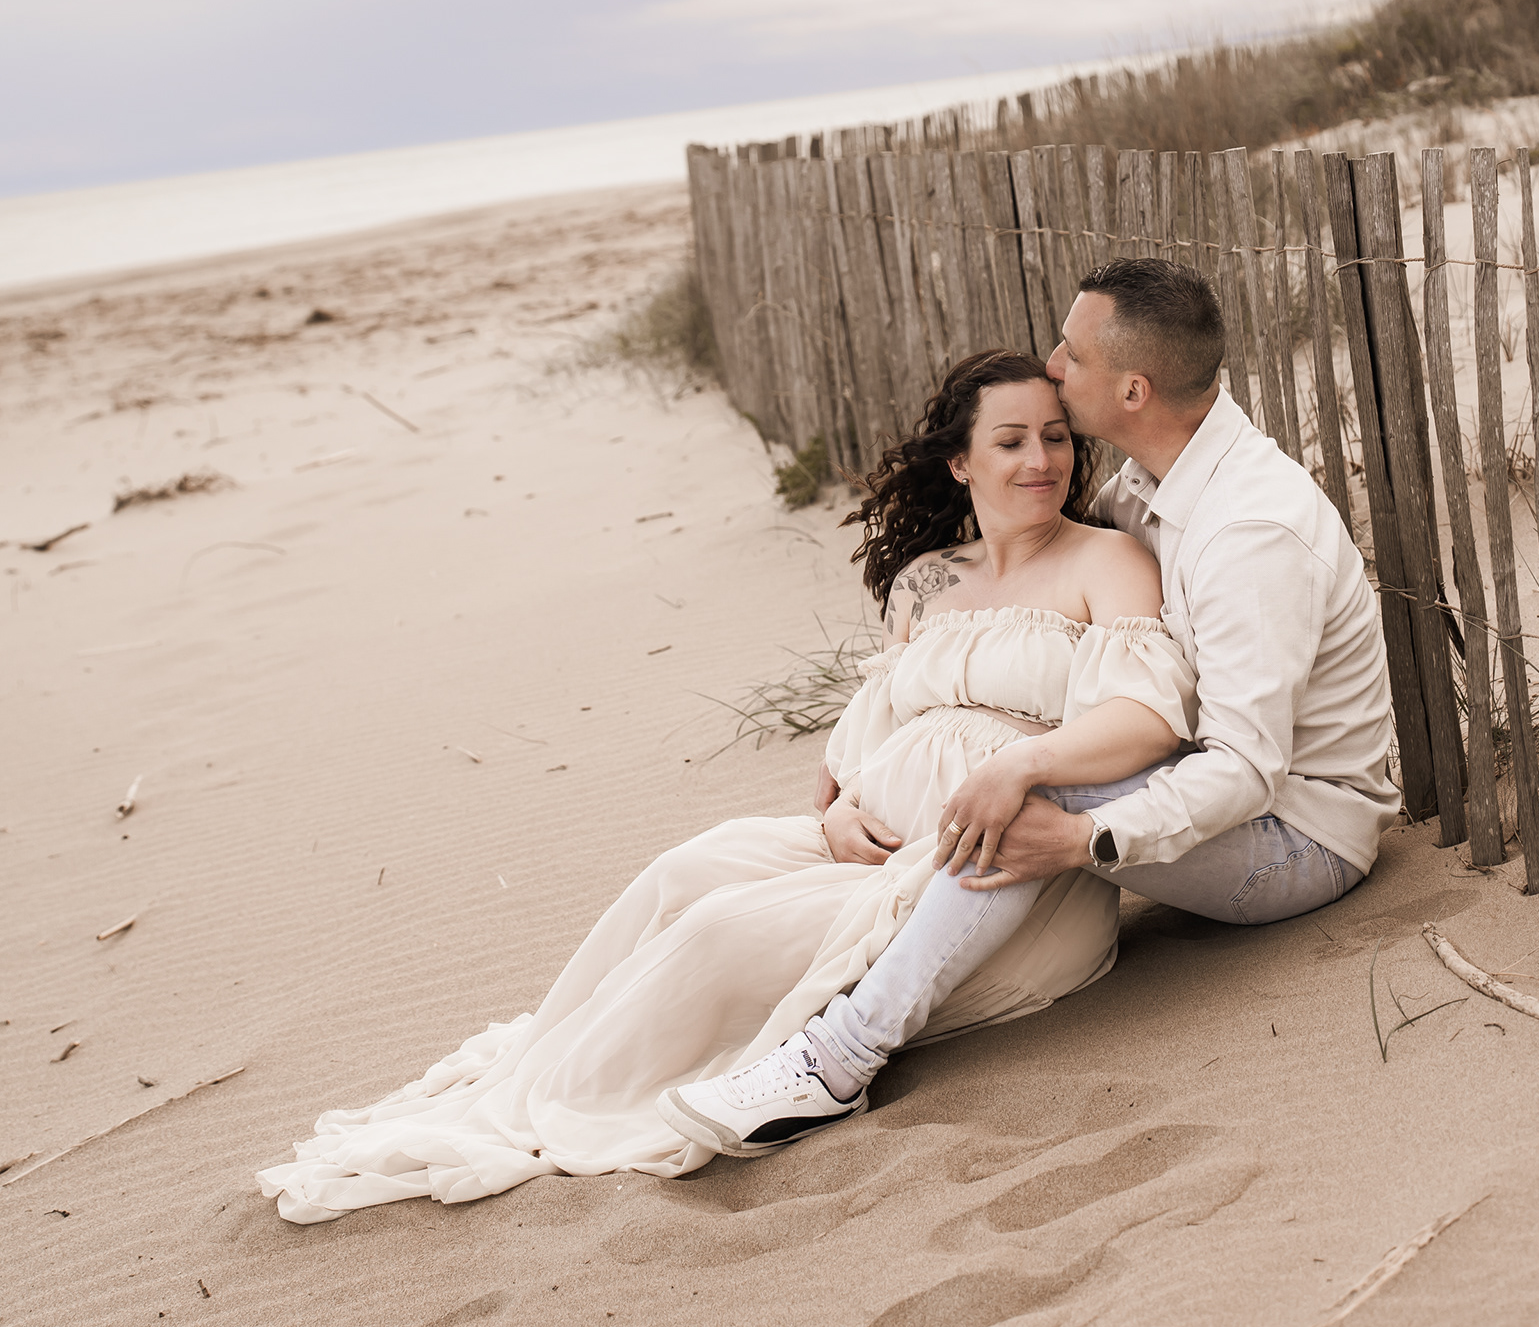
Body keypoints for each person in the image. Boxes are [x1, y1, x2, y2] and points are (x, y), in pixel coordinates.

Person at [256, 350, 1195, 1221]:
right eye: (1012, 440)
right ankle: (552, 1066)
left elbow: (1146, 720)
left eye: (1058, 438)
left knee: (718, 931)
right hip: (871, 842)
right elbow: (867, 738)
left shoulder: (1105, 560)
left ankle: (624, 1091)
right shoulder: (923, 583)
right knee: (680, 872)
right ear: (960, 464)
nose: (1043, 459)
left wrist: (1016, 762)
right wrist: (835, 821)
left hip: (992, 877)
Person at [685, 258, 1397, 1157]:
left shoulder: (1249, 532)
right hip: (1207, 793)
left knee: (1037, 796)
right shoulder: (1147, 485)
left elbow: (1250, 770)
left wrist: (1076, 834)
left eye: (1071, 352)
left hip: (1299, 839)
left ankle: (835, 1061)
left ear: (1132, 388)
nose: (1053, 363)